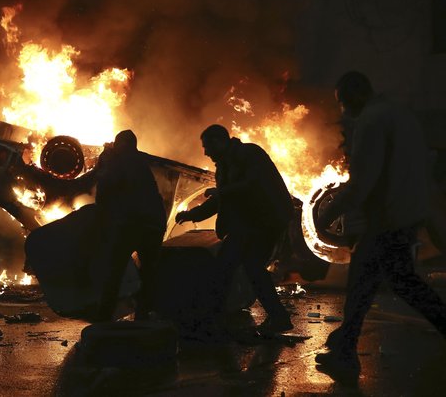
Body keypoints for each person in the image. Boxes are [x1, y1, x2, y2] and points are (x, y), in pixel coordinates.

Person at [315, 71, 446, 383]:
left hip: (386, 219)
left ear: (354, 95)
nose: (343, 109)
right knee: (399, 281)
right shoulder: (402, 115)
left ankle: (345, 356)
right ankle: (344, 345)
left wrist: (330, 211)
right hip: (406, 213)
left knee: (362, 285)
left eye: (343, 102)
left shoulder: (372, 122)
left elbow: (363, 181)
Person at [175, 124, 294, 334]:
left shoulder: (250, 154)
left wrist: (222, 193)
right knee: (244, 267)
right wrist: (192, 214)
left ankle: (213, 320)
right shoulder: (225, 167)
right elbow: (221, 199)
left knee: (229, 266)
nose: (205, 152)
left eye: (207, 146)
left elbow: (252, 185)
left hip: (265, 221)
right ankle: (276, 317)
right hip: (249, 223)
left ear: (220, 141)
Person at [93, 130, 167, 321]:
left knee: (114, 269)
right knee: (149, 272)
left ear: (119, 144)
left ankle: (104, 317)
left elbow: (104, 185)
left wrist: (104, 160)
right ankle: (144, 315)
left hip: (130, 223)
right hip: (154, 223)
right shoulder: (140, 161)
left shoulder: (116, 160)